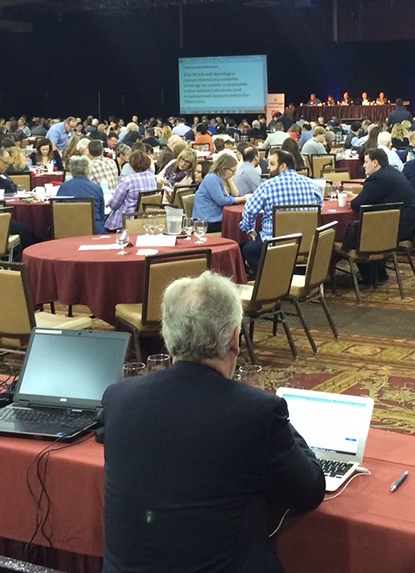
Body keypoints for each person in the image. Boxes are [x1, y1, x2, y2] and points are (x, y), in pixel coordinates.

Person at [101, 271, 323, 573]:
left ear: (168, 337)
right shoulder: (257, 412)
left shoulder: (118, 398)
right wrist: (273, 411)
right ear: (235, 339)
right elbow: (309, 490)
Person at [238, 150, 324, 276]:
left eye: (272, 164)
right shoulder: (311, 184)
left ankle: (274, 279)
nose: (268, 167)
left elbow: (249, 210)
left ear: (283, 167)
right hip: (307, 242)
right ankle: (295, 275)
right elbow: (319, 209)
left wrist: (249, 228)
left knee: (247, 250)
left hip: (275, 242)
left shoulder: (268, 186)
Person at [347, 148, 415, 285]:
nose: (363, 166)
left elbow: (356, 205)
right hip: (410, 221)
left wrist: (354, 199)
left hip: (399, 228)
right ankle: (378, 273)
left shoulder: (377, 178)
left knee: (356, 233)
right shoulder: (391, 173)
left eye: (366, 162)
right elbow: (378, 196)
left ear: (375, 163)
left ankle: (370, 275)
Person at [192, 152, 246, 233]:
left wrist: (230, 180)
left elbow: (235, 195)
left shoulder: (222, 178)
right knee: (236, 227)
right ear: (224, 168)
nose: (234, 173)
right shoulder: (212, 178)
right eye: (232, 171)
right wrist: (241, 199)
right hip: (206, 221)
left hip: (215, 218)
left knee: (239, 225)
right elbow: (221, 200)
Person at [105, 150, 158, 232]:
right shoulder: (152, 178)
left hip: (126, 221)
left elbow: (114, 204)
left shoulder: (128, 181)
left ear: (132, 165)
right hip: (145, 218)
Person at [56, 156, 108, 232]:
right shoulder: (96, 188)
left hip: (68, 229)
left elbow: (57, 211)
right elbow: (101, 214)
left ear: (72, 171)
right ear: (88, 171)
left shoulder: (63, 187)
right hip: (94, 229)